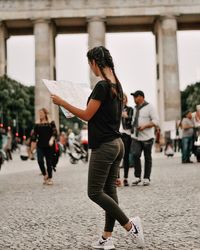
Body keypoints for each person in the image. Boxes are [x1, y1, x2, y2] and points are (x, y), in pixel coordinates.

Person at [51, 46, 145, 249]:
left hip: (105, 145)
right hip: (117, 143)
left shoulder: (102, 86)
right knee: (110, 190)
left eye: (89, 64)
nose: (90, 69)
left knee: (94, 192)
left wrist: (62, 102)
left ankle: (131, 226)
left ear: (95, 62)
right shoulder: (117, 86)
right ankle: (107, 237)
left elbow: (86, 115)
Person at [130, 90, 159, 186]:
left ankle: (146, 178)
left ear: (141, 97)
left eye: (135, 97)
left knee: (147, 157)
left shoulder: (150, 107)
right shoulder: (135, 108)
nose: (134, 99)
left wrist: (145, 126)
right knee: (135, 155)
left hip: (147, 138)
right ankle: (137, 176)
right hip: (136, 137)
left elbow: (156, 122)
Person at [31, 108, 58, 185]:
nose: (40, 115)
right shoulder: (37, 124)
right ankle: (45, 174)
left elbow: (55, 133)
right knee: (40, 160)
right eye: (39, 114)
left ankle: (49, 178)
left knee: (49, 162)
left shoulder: (51, 122)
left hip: (49, 145)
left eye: (42, 113)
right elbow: (34, 136)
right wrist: (32, 147)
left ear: (45, 114)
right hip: (40, 145)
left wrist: (52, 139)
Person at [117, 93, 133, 186]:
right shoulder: (114, 108)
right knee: (117, 157)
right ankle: (117, 178)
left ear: (126, 100)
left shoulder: (130, 109)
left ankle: (126, 178)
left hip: (126, 134)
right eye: (121, 98)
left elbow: (132, 120)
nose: (122, 99)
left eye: (124, 98)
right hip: (117, 134)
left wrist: (126, 116)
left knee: (126, 157)